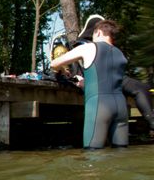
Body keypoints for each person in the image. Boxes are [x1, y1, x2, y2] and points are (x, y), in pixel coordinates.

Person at [50, 20, 128, 149]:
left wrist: (63, 70)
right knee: (121, 152)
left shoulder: (90, 47)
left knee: (93, 153)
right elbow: (106, 78)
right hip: (121, 107)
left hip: (99, 106)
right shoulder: (120, 54)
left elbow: (55, 63)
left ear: (97, 32)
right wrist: (86, 83)